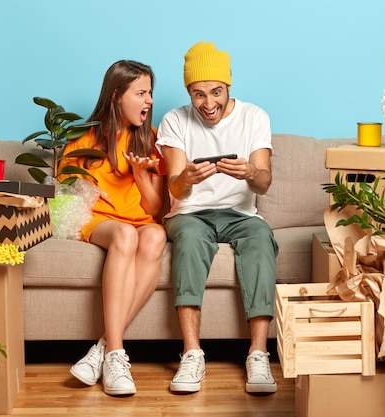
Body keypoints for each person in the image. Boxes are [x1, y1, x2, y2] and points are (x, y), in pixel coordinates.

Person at [155, 42, 278, 394]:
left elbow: (265, 183)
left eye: (216, 92)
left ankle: (258, 354)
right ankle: (192, 353)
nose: (208, 104)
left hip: (241, 214)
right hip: (190, 214)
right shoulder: (175, 120)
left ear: (229, 86)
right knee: (191, 240)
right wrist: (186, 179)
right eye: (199, 94)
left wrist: (250, 172)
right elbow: (176, 192)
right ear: (188, 93)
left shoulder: (255, 116)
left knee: (260, 238)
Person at [58, 60, 167, 396]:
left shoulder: (152, 139)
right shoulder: (83, 138)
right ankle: (118, 354)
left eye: (150, 93)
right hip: (99, 219)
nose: (149, 100)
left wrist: (138, 174)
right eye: (141, 93)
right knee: (125, 234)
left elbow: (155, 209)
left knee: (156, 235)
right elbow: (64, 199)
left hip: (138, 220)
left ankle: (101, 351)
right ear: (117, 95)